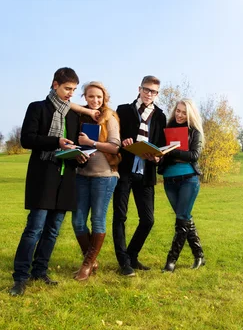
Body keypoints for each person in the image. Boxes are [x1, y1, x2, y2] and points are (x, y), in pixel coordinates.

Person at [9, 67, 88, 296]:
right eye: (67, 88)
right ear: (55, 85)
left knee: (53, 231)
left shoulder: (74, 115)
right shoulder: (37, 108)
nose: (70, 94)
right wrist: (56, 142)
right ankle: (20, 277)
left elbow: (74, 145)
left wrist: (80, 155)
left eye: (73, 90)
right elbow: (27, 139)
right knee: (34, 229)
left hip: (66, 178)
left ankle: (40, 271)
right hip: (43, 177)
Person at [112, 75, 167, 276]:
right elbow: (114, 138)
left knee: (148, 220)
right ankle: (123, 262)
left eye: (153, 92)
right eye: (146, 90)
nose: (149, 94)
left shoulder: (160, 116)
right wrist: (122, 142)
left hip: (146, 174)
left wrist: (157, 158)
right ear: (139, 88)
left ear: (157, 94)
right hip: (124, 170)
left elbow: (161, 145)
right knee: (120, 216)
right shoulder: (123, 110)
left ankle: (132, 255)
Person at [71, 81, 121, 281]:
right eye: (91, 96)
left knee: (97, 220)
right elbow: (63, 103)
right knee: (77, 221)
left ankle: (87, 264)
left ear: (104, 98)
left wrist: (90, 143)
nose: (95, 100)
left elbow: (115, 147)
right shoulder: (79, 115)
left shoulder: (110, 116)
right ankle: (91, 259)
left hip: (105, 176)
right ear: (84, 97)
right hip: (82, 175)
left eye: (99, 97)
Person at [158, 99, 205, 272]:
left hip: (188, 179)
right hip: (169, 180)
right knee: (184, 218)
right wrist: (159, 155)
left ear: (190, 115)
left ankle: (171, 261)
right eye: (178, 111)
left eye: (184, 112)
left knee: (181, 220)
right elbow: (161, 152)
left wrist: (172, 150)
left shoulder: (195, 132)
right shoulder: (167, 128)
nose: (179, 115)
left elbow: (194, 155)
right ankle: (199, 255)